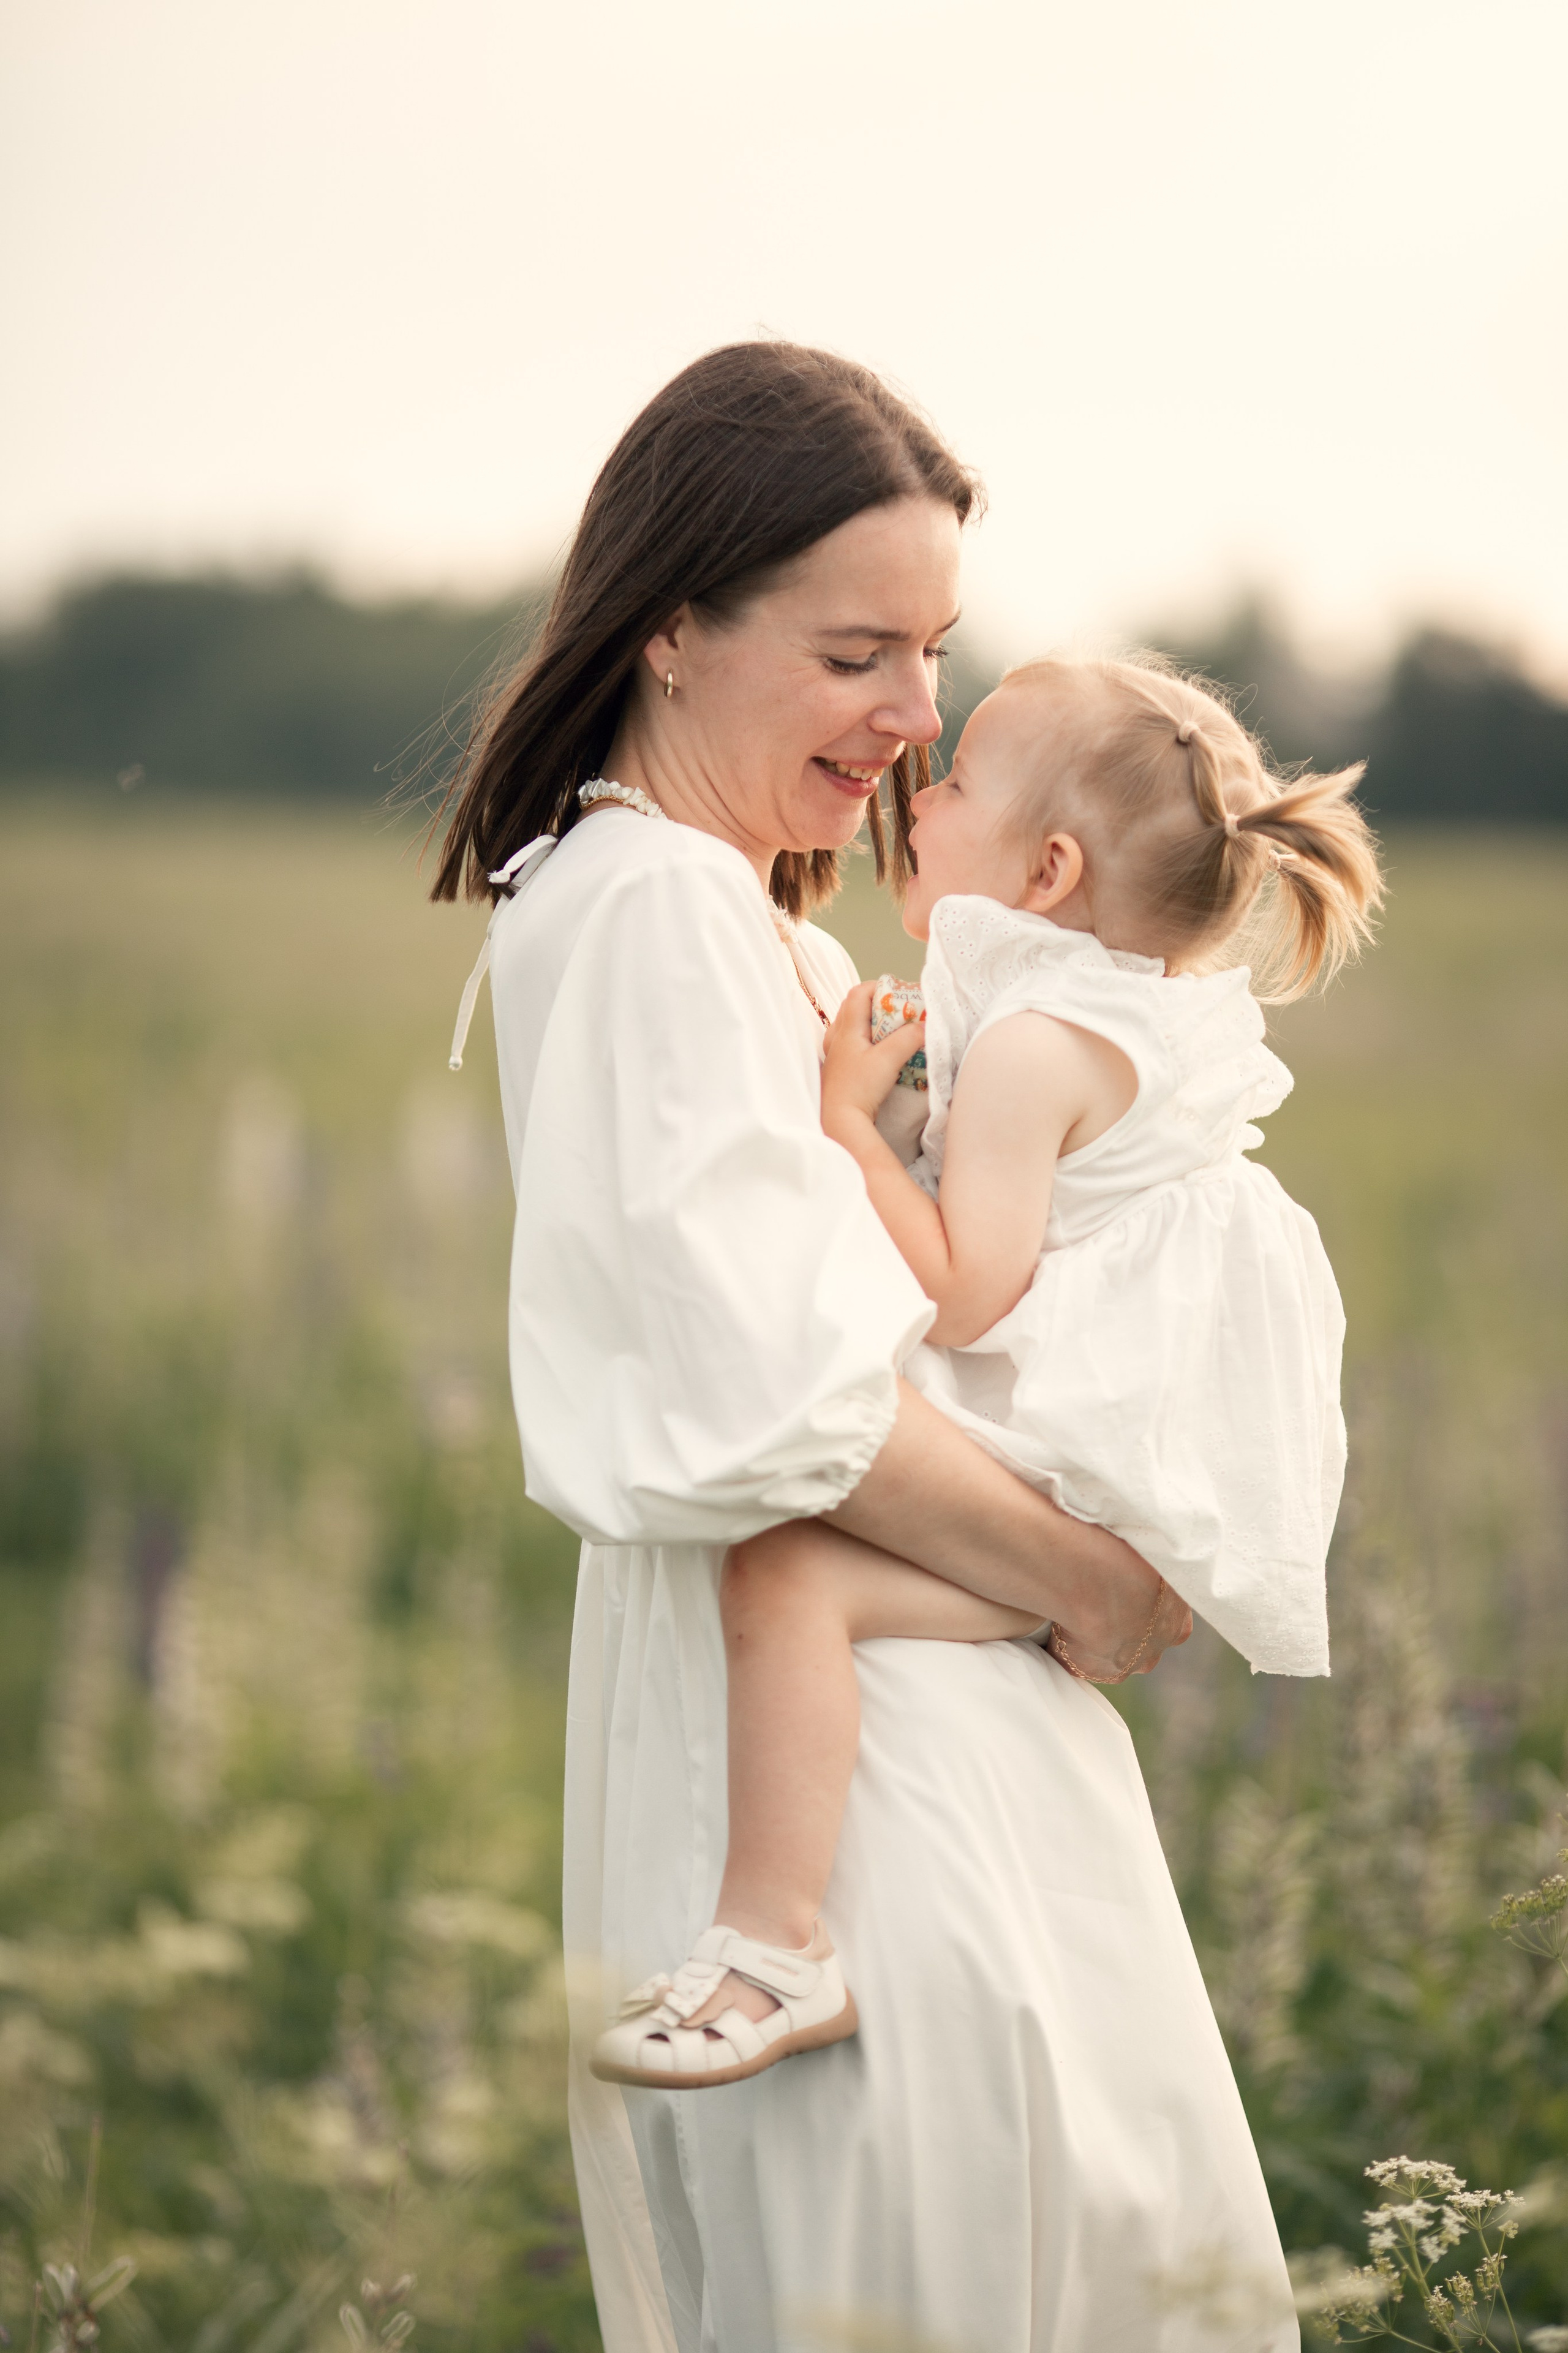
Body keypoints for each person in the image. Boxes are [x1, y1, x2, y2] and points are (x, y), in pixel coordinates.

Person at [434, 342, 1298, 2352]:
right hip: (853, 1786)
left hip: (908, 1698)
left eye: (936, 652)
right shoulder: (649, 904)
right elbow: (787, 1404)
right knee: (918, 2267)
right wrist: (1094, 1578)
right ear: (672, 633)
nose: (919, 717)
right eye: (856, 655)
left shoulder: (744, 918)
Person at [589, 653, 1381, 2096]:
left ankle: (774, 1948)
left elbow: (963, 1296)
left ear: (1046, 867)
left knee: (781, 1573)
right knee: (792, 1564)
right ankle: (773, 1943)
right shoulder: (1126, 1002)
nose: (919, 776)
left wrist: (843, 1121)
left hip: (1086, 1482)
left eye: (955, 782)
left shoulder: (1026, 1045)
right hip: (1118, 1459)